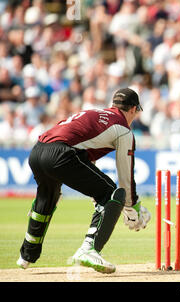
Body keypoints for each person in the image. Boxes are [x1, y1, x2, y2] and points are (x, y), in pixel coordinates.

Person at [17, 88, 151, 273]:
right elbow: (125, 175)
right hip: (61, 154)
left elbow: (84, 154)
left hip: (38, 150)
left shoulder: (94, 113)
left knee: (48, 197)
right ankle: (89, 249)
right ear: (133, 109)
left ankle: (26, 255)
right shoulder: (123, 129)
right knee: (112, 193)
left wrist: (95, 193)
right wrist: (131, 206)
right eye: (136, 113)